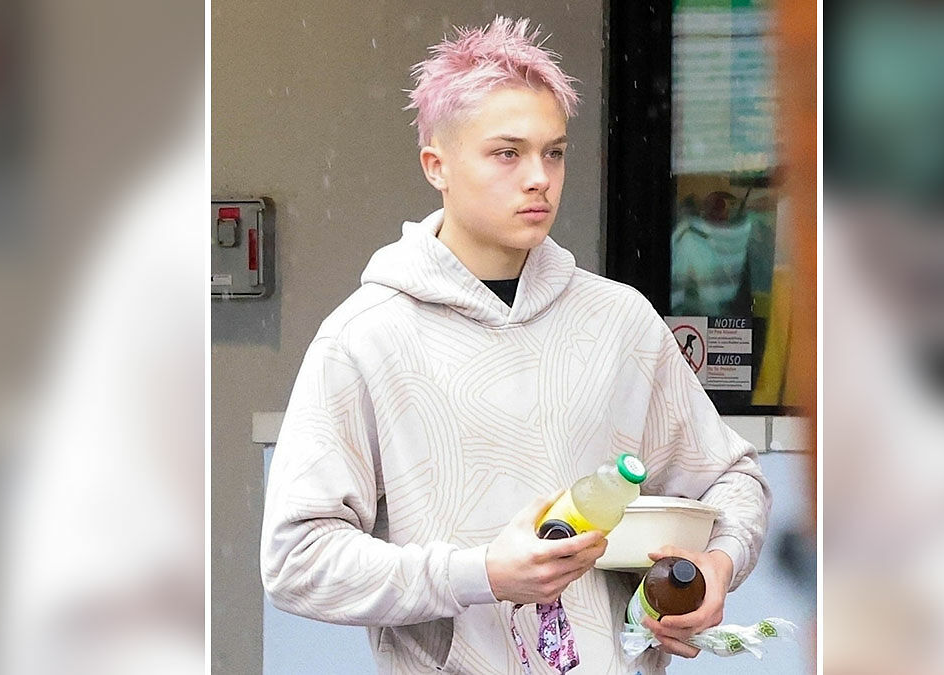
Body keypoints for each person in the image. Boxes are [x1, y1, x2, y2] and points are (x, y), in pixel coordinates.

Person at [260, 16, 769, 675]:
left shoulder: (619, 320)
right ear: (435, 165)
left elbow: (731, 479)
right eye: (508, 153)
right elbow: (297, 559)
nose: (539, 177)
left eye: (553, 152)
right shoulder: (365, 338)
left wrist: (715, 562)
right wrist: (479, 574)